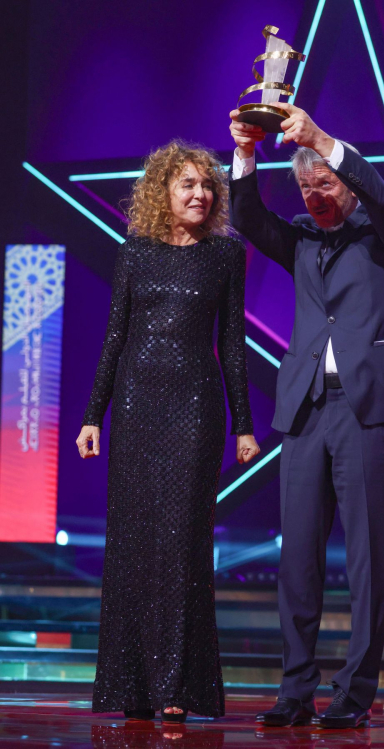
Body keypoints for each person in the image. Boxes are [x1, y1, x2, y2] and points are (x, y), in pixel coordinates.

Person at [229, 103, 384, 729]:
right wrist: (243, 154)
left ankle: (354, 694)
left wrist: (322, 139)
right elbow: (247, 218)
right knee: (298, 561)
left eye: (325, 184)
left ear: (346, 185)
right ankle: (295, 691)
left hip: (368, 409)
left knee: (368, 558)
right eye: (305, 185)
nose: (313, 195)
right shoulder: (302, 240)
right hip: (305, 409)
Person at [76, 140, 260, 723]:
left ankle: (178, 686)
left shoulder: (226, 257)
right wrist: (91, 414)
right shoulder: (135, 251)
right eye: (188, 184)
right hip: (134, 407)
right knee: (132, 544)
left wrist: (244, 426)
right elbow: (114, 337)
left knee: (182, 546)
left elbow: (233, 344)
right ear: (163, 191)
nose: (201, 194)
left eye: (207, 185)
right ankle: (131, 688)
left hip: (196, 408)